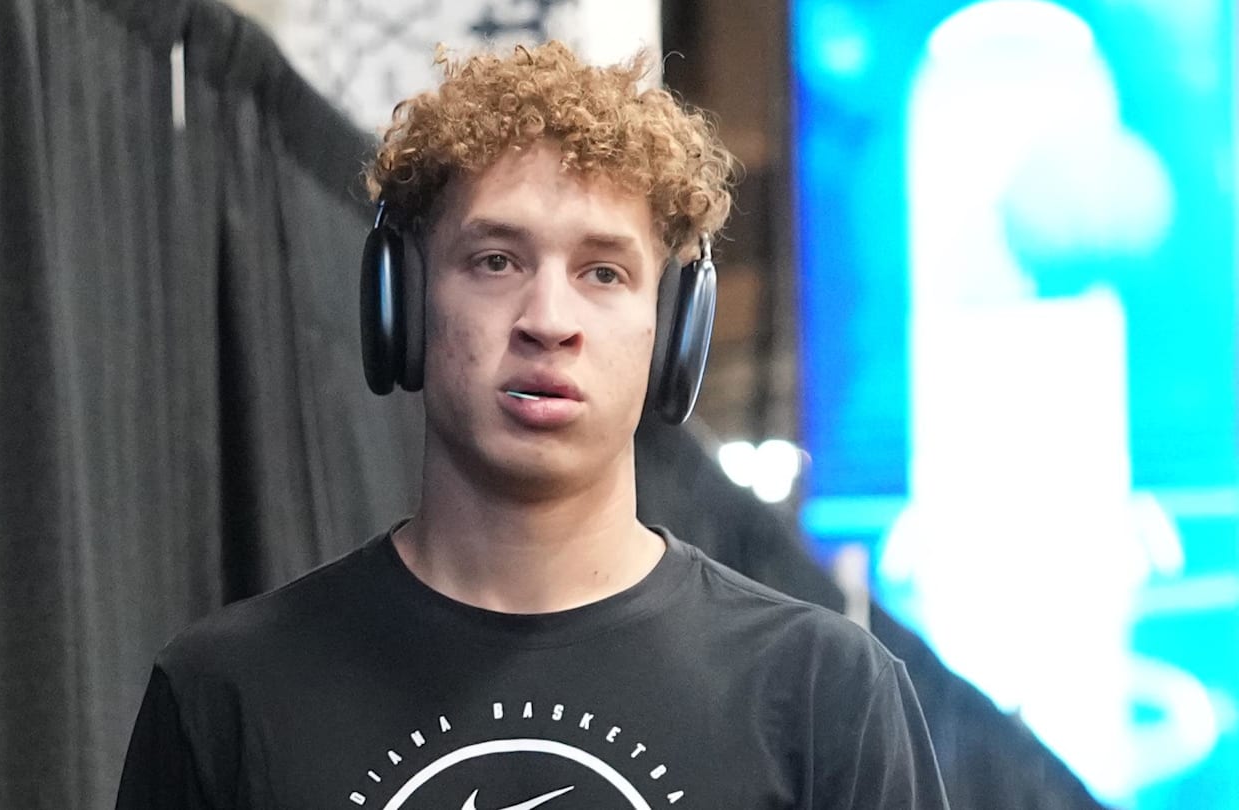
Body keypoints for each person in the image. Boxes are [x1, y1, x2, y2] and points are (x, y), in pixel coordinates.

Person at [116, 41, 949, 809]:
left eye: (603, 272)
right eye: (495, 261)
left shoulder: (823, 695)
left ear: (673, 334)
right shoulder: (227, 694)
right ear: (401, 307)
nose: (548, 319)